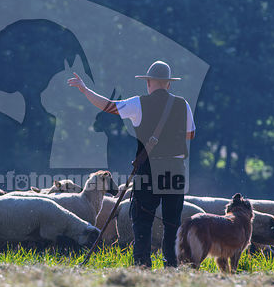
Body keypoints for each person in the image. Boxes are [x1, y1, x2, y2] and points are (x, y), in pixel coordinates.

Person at [68, 60, 195, 267]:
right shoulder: (183, 105)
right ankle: (171, 264)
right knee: (172, 220)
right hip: (175, 169)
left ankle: (142, 263)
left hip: (148, 169)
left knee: (142, 217)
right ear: (169, 84)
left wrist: (85, 90)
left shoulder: (139, 103)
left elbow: (107, 106)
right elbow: (190, 135)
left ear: (149, 83)